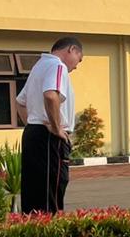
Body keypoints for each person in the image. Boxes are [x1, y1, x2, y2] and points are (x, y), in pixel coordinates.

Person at [16, 35, 82, 215]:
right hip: (49, 137)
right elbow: (51, 95)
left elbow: (20, 102)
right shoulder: (57, 66)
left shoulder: (38, 67)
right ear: (71, 50)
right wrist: (56, 127)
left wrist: (33, 123)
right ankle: (49, 229)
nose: (77, 65)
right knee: (51, 192)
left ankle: (31, 229)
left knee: (33, 192)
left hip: (33, 133)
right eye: (79, 59)